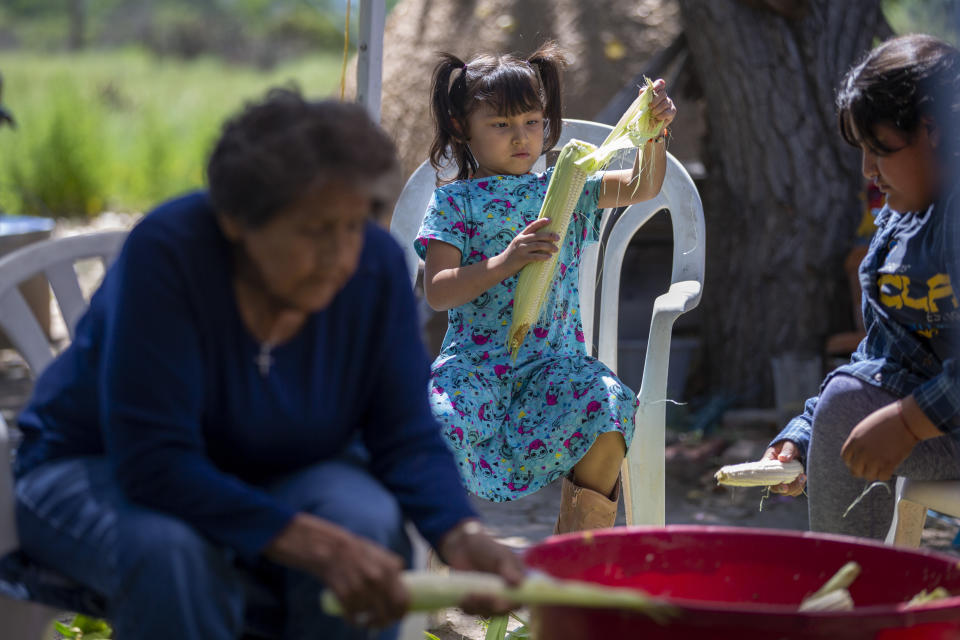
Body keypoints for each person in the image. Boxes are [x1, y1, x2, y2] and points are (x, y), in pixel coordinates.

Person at [12, 89, 523, 640]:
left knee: (367, 527)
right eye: (313, 231)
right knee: (173, 558)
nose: (339, 256)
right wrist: (306, 539)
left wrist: (459, 531)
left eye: (353, 226)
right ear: (235, 222)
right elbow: (152, 461)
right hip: (100, 466)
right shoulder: (170, 254)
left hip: (283, 469)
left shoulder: (370, 270)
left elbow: (403, 434)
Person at [415, 41, 676, 533]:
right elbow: (440, 291)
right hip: (476, 368)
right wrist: (504, 262)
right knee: (436, 424)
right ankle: (445, 550)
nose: (521, 137)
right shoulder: (455, 203)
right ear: (460, 127)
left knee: (607, 407)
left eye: (532, 122)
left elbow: (643, 186)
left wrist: (654, 131)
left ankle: (570, 567)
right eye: (501, 125)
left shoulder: (566, 189)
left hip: (554, 367)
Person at [763, 34, 960, 539]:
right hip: (940, 426)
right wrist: (807, 434)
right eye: (862, 152)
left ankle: (844, 593)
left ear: (934, 131)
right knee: (843, 406)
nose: (870, 172)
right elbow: (878, 358)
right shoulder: (897, 226)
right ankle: (847, 595)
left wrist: (911, 421)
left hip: (940, 421)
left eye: (881, 150)